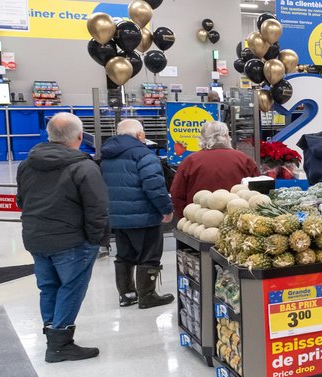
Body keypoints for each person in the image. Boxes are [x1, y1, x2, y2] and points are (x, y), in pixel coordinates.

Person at [17, 112, 108, 362]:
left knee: (48, 287)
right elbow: (97, 208)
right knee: (71, 287)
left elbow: (21, 201)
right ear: (80, 137)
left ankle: (52, 337)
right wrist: (94, 240)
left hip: (36, 238)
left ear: (49, 136)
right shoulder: (84, 166)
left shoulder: (27, 164)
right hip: (72, 242)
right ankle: (60, 344)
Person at [98, 119, 173, 309]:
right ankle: (147, 296)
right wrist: (166, 209)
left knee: (124, 255)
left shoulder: (106, 155)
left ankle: (127, 295)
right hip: (144, 217)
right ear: (140, 135)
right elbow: (154, 187)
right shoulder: (143, 155)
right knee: (149, 256)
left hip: (117, 217)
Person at [170, 122, 260, 218]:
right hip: (238, 219)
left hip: (199, 220)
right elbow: (258, 189)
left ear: (202, 138)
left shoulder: (191, 161)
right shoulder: (243, 159)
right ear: (226, 136)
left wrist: (184, 218)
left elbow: (177, 193)